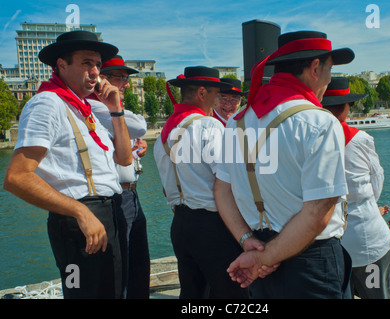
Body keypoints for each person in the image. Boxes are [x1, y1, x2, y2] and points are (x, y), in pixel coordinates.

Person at [214, 31, 354, 298]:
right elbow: (317, 213)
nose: (328, 80)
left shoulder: (237, 121)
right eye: (329, 71)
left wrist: (248, 242)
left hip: (259, 252)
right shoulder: (320, 122)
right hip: (310, 262)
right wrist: (263, 260)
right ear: (315, 67)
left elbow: (222, 190)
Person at [3, 30, 132, 299]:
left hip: (106, 213)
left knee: (113, 292)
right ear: (61, 65)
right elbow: (17, 177)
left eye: (97, 65)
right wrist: (80, 213)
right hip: (77, 223)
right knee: (82, 294)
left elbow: (125, 158)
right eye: (86, 63)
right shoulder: (47, 104)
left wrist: (115, 109)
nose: (96, 72)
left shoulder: (83, 107)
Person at [153, 66, 250, 299]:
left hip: (180, 225)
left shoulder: (163, 135)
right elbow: (226, 182)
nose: (218, 99)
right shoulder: (210, 127)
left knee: (193, 293)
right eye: (217, 93)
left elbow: (167, 189)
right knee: (232, 295)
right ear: (203, 93)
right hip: (213, 226)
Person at [322, 77, 390, 299]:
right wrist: (368, 205)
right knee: (379, 294)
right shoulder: (361, 139)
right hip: (368, 242)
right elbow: (377, 179)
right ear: (347, 107)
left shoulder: (311, 140)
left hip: (333, 243)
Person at [88, 55, 150, 299]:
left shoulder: (112, 109)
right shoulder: (93, 106)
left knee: (138, 263)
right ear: (103, 79)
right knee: (121, 267)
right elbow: (139, 125)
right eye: (121, 78)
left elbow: (133, 128)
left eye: (127, 79)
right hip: (116, 196)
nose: (126, 84)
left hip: (131, 193)